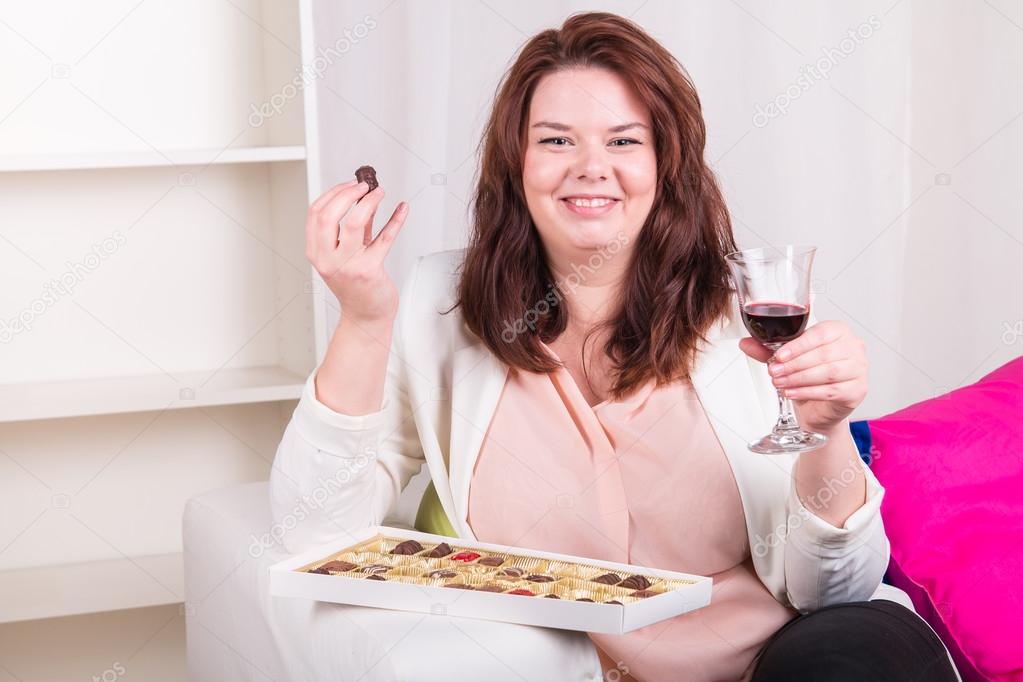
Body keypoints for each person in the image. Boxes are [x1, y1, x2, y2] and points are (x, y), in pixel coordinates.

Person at [270, 11, 958, 681]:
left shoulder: (743, 311)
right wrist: (362, 320)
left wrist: (823, 433)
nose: (590, 167)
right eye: (556, 141)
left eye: (624, 141)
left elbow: (832, 590)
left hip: (775, 653)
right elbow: (314, 529)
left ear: (666, 161)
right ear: (515, 162)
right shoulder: (440, 303)